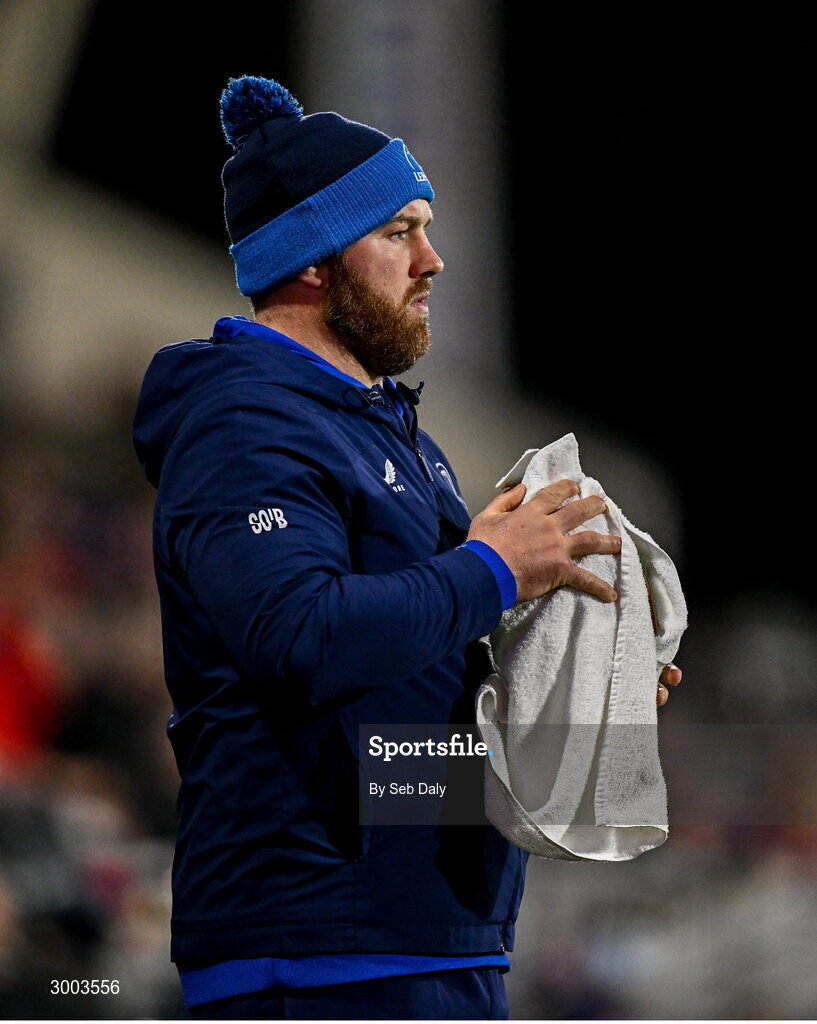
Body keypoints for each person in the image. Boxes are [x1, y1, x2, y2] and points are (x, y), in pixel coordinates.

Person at [133, 75, 681, 1021]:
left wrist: (563, 687)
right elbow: (299, 638)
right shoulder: (244, 423)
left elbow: (384, 735)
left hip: (421, 934)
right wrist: (491, 567)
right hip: (314, 952)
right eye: (397, 232)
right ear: (312, 259)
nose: (431, 260)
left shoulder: (394, 440)